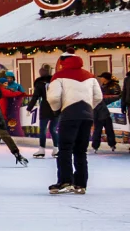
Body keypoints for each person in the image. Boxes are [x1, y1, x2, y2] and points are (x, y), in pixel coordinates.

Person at [46, 54, 102, 194]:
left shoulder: (59, 76)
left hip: (69, 114)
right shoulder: (91, 76)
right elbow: (98, 97)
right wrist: (89, 108)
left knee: (65, 149)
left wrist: (56, 109)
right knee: (80, 150)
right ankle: (81, 183)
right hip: (87, 115)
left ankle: (65, 181)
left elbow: (53, 97)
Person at [91, 72, 120, 153]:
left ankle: (96, 146)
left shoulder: (112, 87)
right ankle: (110, 144)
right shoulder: (100, 93)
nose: (100, 79)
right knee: (106, 130)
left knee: (99, 130)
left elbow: (110, 99)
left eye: (102, 77)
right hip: (104, 115)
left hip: (100, 116)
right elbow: (109, 99)